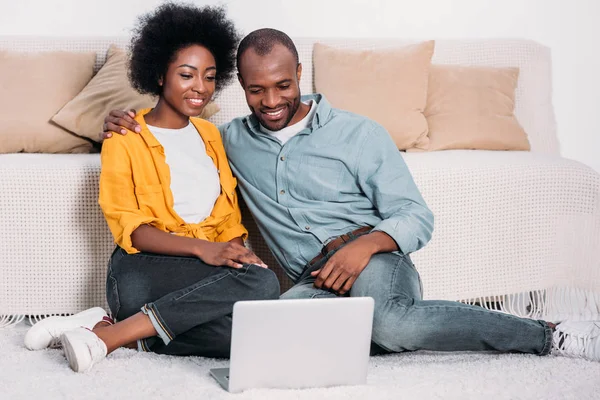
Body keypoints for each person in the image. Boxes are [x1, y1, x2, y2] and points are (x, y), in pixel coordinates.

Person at [102, 29, 600, 361]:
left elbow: (415, 215)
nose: (271, 102)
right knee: (263, 342)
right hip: (309, 280)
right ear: (243, 88)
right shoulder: (226, 139)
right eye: (256, 91)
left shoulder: (358, 134)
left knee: (392, 326)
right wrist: (118, 121)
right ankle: (137, 334)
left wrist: (364, 246)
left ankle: (549, 335)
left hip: (374, 260)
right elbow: (172, 137)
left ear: (299, 74)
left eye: (282, 85)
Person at [23, 5, 280, 373]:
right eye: (187, 75)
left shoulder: (211, 136)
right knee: (263, 285)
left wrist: (237, 256)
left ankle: (112, 328)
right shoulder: (124, 136)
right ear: (160, 74)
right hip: (139, 273)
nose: (200, 88)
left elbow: (227, 219)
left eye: (209, 77)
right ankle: (108, 339)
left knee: (250, 326)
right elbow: (134, 231)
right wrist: (205, 250)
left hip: (200, 281)